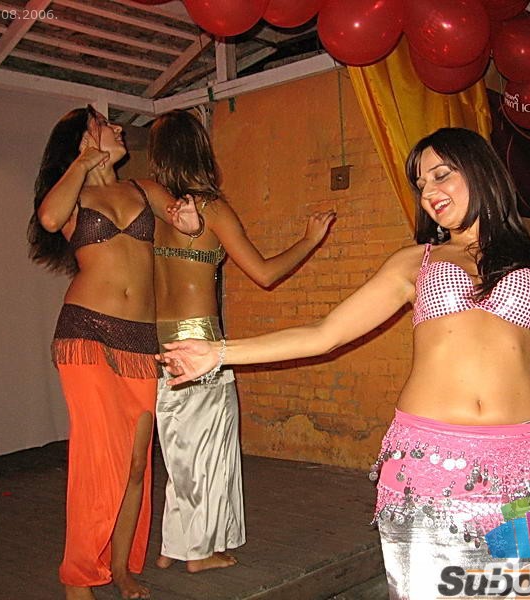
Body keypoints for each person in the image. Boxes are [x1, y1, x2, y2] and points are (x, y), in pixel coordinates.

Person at [158, 127, 530, 598]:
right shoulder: (415, 263)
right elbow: (324, 334)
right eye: (420, 183)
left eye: (441, 174)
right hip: (430, 466)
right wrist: (220, 353)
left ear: (480, 172)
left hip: (524, 468)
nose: (429, 191)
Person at [146, 110, 336, 573]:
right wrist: (309, 240)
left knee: (179, 447)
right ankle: (200, 552)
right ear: (200, 149)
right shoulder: (211, 208)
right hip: (201, 340)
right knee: (208, 448)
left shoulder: (151, 204)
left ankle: (174, 545)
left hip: (161, 339)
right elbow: (265, 273)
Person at [28, 106, 199, 600]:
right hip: (87, 335)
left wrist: (188, 220)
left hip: (139, 341)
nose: (118, 128)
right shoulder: (75, 195)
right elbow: (49, 218)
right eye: (104, 124)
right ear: (82, 139)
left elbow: (184, 219)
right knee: (98, 458)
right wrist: (83, 163)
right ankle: (78, 576)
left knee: (136, 464)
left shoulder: (143, 190)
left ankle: (120, 568)